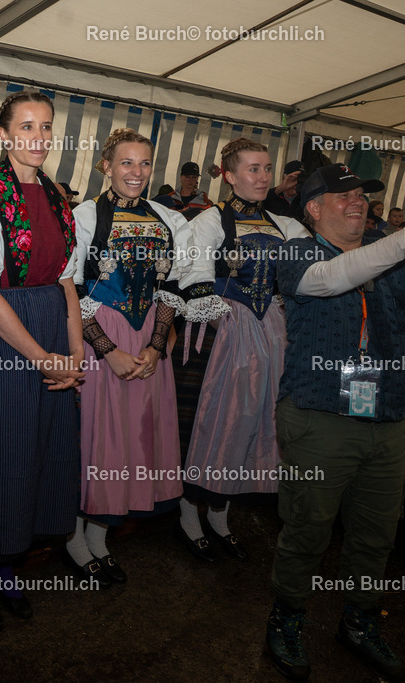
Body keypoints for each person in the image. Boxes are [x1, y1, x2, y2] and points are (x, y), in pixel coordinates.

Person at [266, 163, 405, 683]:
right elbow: (331, 281)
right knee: (307, 528)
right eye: (342, 195)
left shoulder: (393, 258)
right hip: (319, 415)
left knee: (376, 534)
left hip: (388, 415)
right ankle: (287, 620)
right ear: (312, 208)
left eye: (363, 195)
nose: (358, 202)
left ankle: (360, 621)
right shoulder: (298, 253)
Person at [0, 90, 83, 628]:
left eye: (46, 126)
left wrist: (74, 353)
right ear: (3, 134)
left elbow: (68, 281)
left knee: (38, 451)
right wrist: (42, 357)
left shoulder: (56, 194)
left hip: (52, 322)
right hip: (2, 336)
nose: (38, 136)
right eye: (25, 126)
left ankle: (8, 560)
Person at [172, 138, 309, 563]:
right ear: (229, 175)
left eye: (266, 169)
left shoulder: (284, 224)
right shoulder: (210, 221)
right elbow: (190, 271)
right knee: (208, 423)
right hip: (221, 333)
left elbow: (313, 264)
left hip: (269, 333)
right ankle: (188, 516)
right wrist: (222, 314)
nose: (263, 177)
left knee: (251, 422)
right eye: (253, 169)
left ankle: (221, 515)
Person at [63, 128, 191, 584]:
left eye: (143, 164)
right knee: (97, 439)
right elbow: (72, 290)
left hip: (146, 340)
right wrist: (107, 350)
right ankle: (75, 537)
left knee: (132, 440)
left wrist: (158, 345)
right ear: (106, 166)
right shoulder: (84, 216)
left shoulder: (167, 218)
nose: (136, 173)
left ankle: (101, 535)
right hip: (103, 336)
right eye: (126, 163)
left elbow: (173, 288)